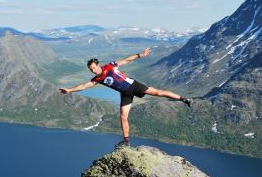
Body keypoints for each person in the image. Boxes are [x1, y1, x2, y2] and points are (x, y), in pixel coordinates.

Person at [59, 48, 192, 149]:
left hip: (133, 85)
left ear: (98, 65)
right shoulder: (97, 79)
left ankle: (184, 99)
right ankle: (126, 141)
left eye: (94, 68)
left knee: (158, 92)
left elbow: (126, 60)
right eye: (91, 69)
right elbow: (83, 86)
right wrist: (69, 90)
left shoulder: (110, 66)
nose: (93, 71)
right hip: (125, 94)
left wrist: (141, 55)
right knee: (123, 116)